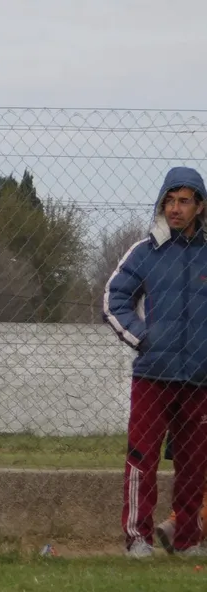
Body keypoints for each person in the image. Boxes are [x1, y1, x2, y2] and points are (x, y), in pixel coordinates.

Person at [104, 166, 207, 558]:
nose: (175, 208)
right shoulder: (145, 252)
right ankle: (138, 538)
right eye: (169, 200)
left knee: (194, 464)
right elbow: (114, 300)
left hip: (200, 377)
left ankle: (187, 540)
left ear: (199, 206)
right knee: (142, 458)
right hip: (152, 375)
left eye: (184, 201)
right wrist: (143, 338)